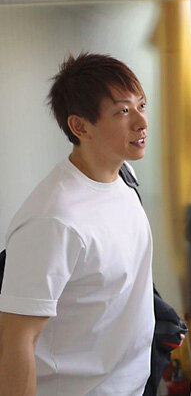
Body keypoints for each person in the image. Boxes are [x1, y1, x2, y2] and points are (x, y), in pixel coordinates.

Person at [0, 53, 154, 395]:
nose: (141, 121)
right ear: (80, 126)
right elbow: (16, 339)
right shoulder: (53, 219)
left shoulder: (123, 179)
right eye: (123, 111)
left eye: (142, 105)